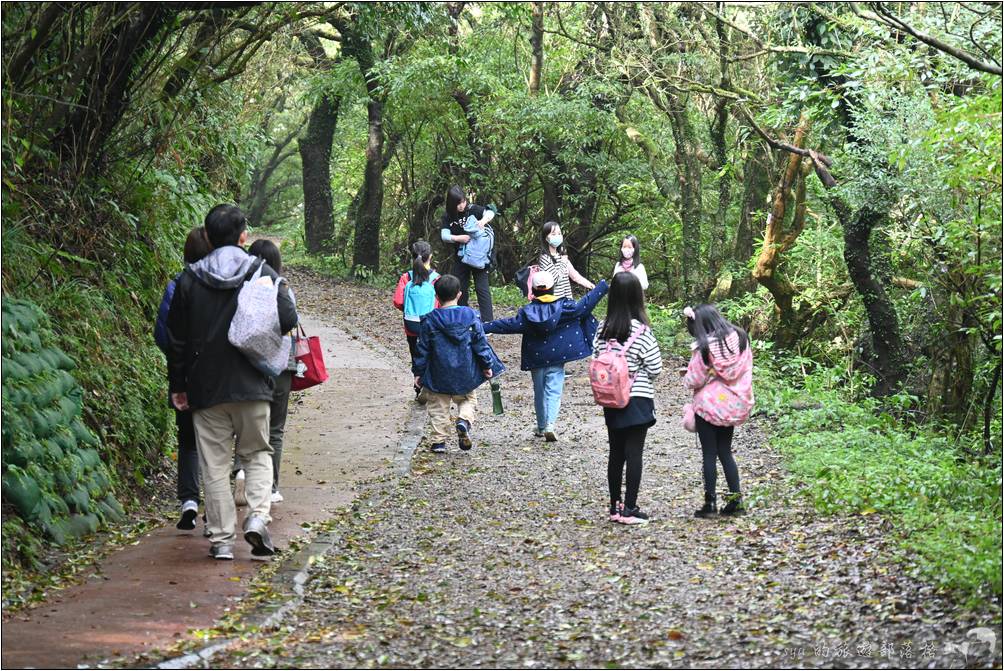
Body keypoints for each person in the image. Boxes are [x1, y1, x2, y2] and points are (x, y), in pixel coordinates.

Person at [167, 204, 298, 560]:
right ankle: (257, 517)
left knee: (214, 463)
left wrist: (179, 384)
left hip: (205, 387)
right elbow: (288, 316)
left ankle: (222, 540)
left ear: (208, 237)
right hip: (252, 382)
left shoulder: (190, 278)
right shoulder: (260, 270)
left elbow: (177, 338)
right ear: (244, 237)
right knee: (257, 453)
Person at [484, 270, 608, 441]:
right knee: (554, 392)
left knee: (539, 392)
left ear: (533, 291)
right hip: (557, 359)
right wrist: (601, 286)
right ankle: (550, 425)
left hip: (536, 359)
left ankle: (541, 426)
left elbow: (506, 325)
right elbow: (584, 305)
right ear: (553, 288)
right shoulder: (566, 308)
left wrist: (485, 327)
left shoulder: (527, 313)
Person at [592, 272, 662, 525]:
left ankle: (614, 507)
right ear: (636, 297)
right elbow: (655, 367)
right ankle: (630, 509)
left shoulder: (602, 328)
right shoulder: (641, 331)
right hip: (638, 399)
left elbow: (595, 358)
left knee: (616, 453)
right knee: (634, 453)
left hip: (611, 399)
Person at [154, 226, 212, 531]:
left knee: (187, 440)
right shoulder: (220, 284)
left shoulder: (176, 285)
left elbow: (162, 333)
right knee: (215, 441)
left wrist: (179, 359)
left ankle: (189, 500)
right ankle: (214, 507)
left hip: (184, 374)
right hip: (216, 376)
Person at [412, 274, 504, 454]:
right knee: (468, 399)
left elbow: (422, 349)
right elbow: (480, 343)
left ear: (436, 297)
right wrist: (487, 366)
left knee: (438, 406)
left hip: (438, 372)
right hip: (465, 371)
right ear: (459, 294)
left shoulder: (430, 319)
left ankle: (439, 442)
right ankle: (463, 420)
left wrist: (418, 372)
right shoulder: (469, 315)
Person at [682, 304, 754, 518]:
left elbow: (694, 378)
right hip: (732, 403)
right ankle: (736, 501)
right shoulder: (741, 339)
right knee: (725, 451)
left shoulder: (705, 347)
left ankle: (710, 504)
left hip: (708, 406)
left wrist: (689, 376)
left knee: (709, 454)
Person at [440, 185, 495, 322]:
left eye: (463, 201)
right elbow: (444, 235)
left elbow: (491, 212)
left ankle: (488, 322)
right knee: (459, 288)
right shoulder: (448, 216)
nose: (461, 205)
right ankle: (462, 318)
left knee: (482, 289)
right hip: (461, 257)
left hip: (479, 257)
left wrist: (483, 221)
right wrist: (459, 238)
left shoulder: (473, 210)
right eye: (458, 203)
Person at [393, 240, 440, 398]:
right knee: (432, 353)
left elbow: (398, 301)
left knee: (415, 354)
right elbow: (441, 303)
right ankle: (431, 384)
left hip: (411, 326)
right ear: (430, 257)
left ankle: (418, 383)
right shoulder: (436, 279)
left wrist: (408, 309)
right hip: (432, 325)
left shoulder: (406, 278)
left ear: (412, 257)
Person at [538, 221, 595, 300]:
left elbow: (575, 276)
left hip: (567, 301)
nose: (557, 236)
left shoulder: (561, 256)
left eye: (559, 233)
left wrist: (591, 286)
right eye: (553, 234)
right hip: (553, 304)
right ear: (546, 237)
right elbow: (554, 280)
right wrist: (563, 263)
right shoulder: (545, 258)